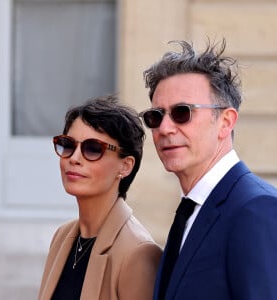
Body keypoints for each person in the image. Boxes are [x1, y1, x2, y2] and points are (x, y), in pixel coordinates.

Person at [139, 39, 277, 300]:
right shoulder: (190, 210)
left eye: (182, 113)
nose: (165, 128)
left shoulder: (256, 209)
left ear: (226, 122)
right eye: (155, 117)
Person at [38, 95, 162, 300]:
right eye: (68, 145)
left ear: (126, 166)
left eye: (93, 149)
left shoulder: (139, 253)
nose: (74, 159)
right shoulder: (62, 236)